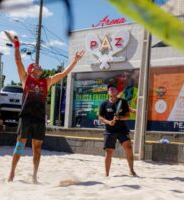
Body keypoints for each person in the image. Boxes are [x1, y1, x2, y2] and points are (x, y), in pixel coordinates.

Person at [7, 33, 84, 183]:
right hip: (26, 117)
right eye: (36, 65)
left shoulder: (46, 82)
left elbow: (63, 74)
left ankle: (34, 175)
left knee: (37, 148)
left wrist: (74, 61)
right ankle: (11, 173)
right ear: (31, 70)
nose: (39, 65)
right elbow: (17, 61)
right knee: (20, 144)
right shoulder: (25, 78)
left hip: (39, 118)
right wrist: (17, 45)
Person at [98, 84, 136, 177]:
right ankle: (106, 174)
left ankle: (131, 170)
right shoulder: (104, 104)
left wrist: (119, 118)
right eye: (110, 89)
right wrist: (108, 122)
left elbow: (127, 116)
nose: (111, 90)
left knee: (129, 148)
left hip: (122, 130)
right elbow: (100, 118)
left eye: (114, 89)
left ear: (117, 91)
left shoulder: (123, 102)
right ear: (108, 92)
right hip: (109, 131)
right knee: (109, 152)